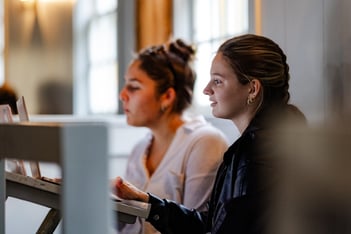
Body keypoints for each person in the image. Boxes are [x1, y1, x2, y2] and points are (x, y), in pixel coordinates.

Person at [114, 34, 307, 234]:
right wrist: (147, 203)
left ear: (253, 88)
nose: (207, 90)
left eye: (217, 81)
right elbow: (211, 225)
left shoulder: (257, 156)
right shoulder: (254, 147)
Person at [118, 39, 229, 234]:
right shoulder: (139, 150)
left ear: (167, 97)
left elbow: (197, 228)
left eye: (134, 87)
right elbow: (128, 225)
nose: (122, 95)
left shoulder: (205, 143)